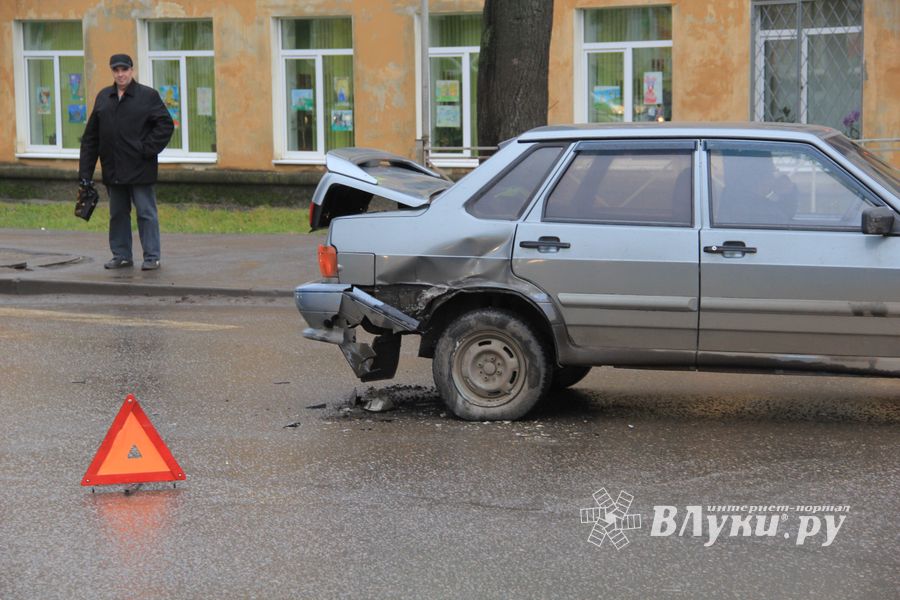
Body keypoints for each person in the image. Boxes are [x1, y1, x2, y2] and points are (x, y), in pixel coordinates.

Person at [79, 53, 174, 270]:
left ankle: (152, 257)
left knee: (146, 213)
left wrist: (146, 149)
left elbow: (165, 125)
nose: (121, 74)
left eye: (124, 70)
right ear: (112, 72)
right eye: (116, 70)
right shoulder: (104, 97)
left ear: (132, 71)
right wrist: (85, 174)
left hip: (140, 168)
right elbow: (91, 138)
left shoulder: (147, 96)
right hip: (113, 169)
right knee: (117, 214)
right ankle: (121, 255)